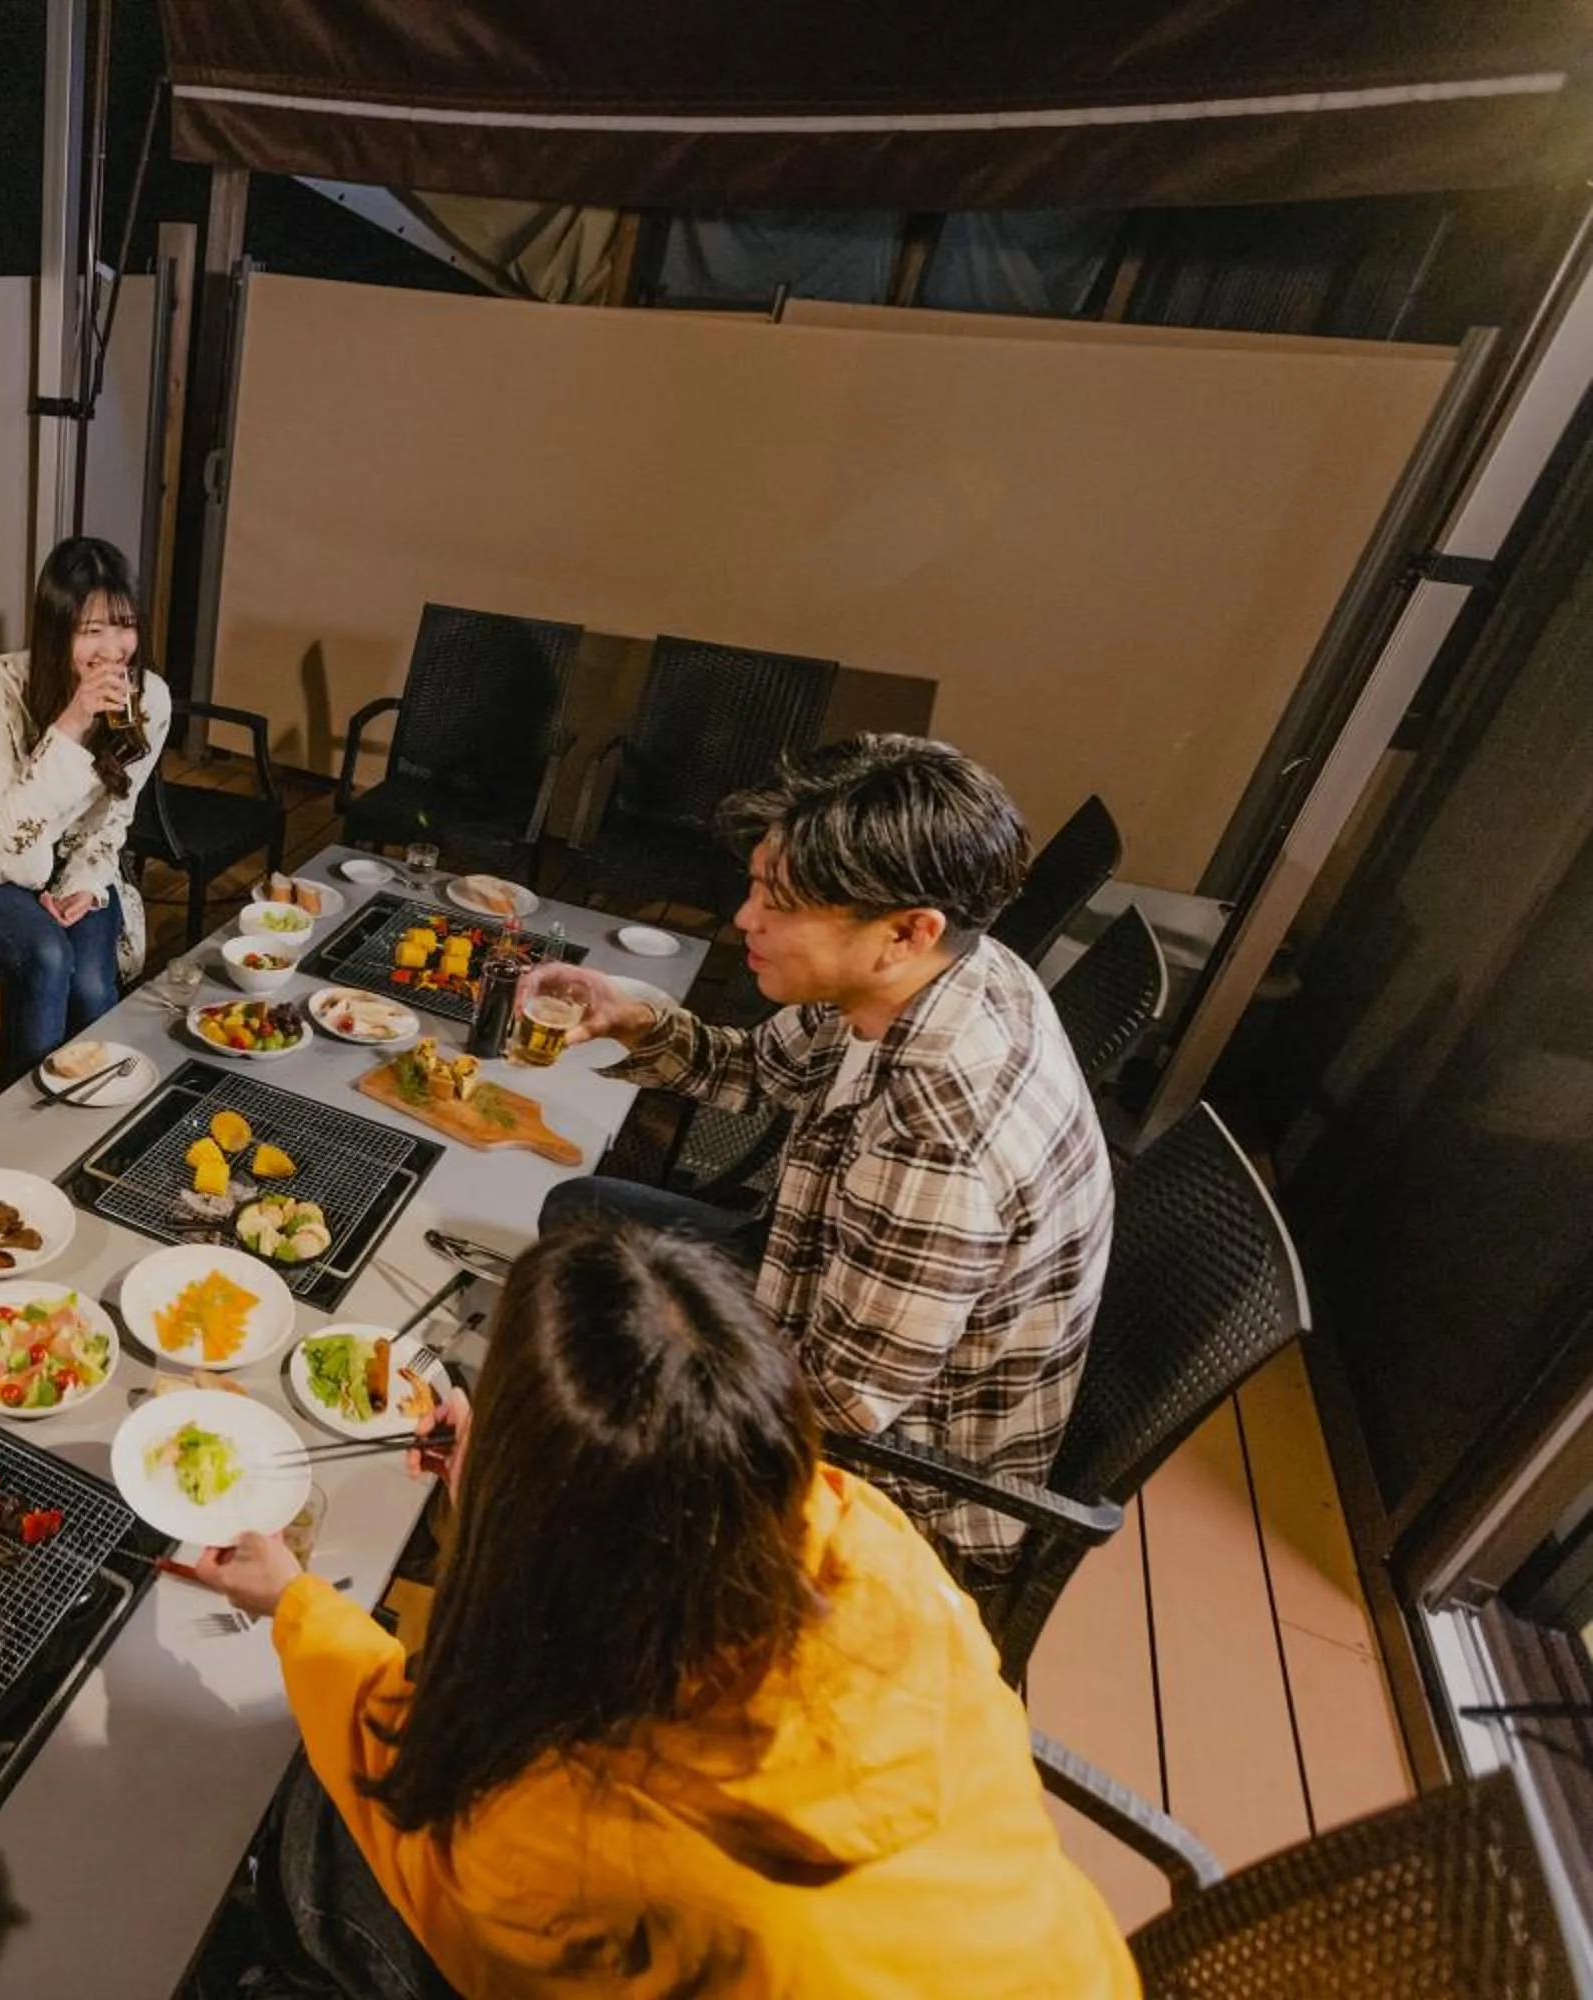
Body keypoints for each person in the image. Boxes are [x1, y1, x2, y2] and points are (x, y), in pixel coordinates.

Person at [178, 1220, 1138, 1999]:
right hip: (1064, 1969)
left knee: (311, 1818)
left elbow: (432, 1847)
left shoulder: (579, 1820)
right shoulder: (860, 1531)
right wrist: (514, 1484)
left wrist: (296, 1606)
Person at [529, 735, 1112, 1575]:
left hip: (895, 1487)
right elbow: (760, 1068)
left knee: (560, 1433)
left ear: (908, 931)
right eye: (758, 885)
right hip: (822, 1306)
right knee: (580, 1219)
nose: (743, 920)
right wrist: (633, 1020)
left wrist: (613, 1392)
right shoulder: (929, 971)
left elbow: (834, 1406)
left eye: (781, 903)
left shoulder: (942, 1135)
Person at [0, 535, 172, 1078]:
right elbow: (5, 833)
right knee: (48, 957)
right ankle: (23, 1117)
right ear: (56, 631)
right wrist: (72, 724)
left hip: (74, 863)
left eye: (124, 626)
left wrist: (83, 882)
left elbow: (114, 817)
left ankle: (90, 1110)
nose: (113, 649)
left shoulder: (149, 698)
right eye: (91, 631)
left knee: (95, 983)